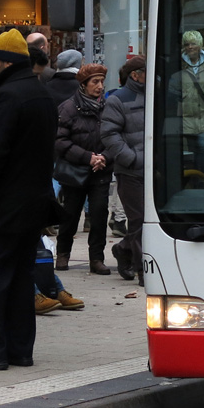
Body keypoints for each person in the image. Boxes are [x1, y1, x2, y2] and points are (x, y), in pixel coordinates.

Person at [0, 29, 58, 370]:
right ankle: (20, 350)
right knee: (22, 279)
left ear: (4, 62)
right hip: (32, 205)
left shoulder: (7, 97)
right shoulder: (39, 93)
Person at [53, 63, 114, 276]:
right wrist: (88, 158)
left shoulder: (108, 107)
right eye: (95, 82)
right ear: (83, 84)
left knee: (99, 214)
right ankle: (63, 254)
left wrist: (104, 157)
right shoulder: (68, 108)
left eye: (102, 82)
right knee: (70, 214)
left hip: (101, 171)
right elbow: (60, 141)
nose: (100, 86)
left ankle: (96, 258)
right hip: (75, 171)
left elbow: (116, 137)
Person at [102, 56, 146, 283]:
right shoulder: (118, 99)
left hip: (153, 170)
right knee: (138, 219)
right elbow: (109, 134)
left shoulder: (155, 95)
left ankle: (123, 249)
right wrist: (132, 158)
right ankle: (142, 271)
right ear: (135, 75)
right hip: (130, 170)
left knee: (147, 221)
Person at [171, 31, 204, 175]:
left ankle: (202, 179)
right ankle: (195, 179)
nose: (190, 47)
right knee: (192, 151)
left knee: (203, 147)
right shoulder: (178, 66)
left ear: (200, 45)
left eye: (193, 44)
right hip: (186, 119)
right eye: (187, 44)